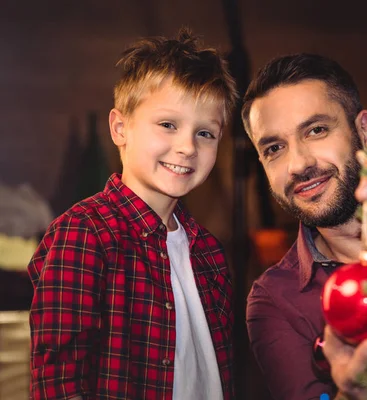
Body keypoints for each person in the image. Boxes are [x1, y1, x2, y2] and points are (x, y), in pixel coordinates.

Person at [27, 28, 237, 400]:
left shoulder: (209, 253)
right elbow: (58, 384)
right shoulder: (84, 233)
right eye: (168, 124)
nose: (187, 147)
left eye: (206, 133)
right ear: (120, 128)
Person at [243, 53, 367, 400]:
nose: (298, 164)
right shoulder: (275, 302)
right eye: (275, 148)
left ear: (366, 131)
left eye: (316, 130)